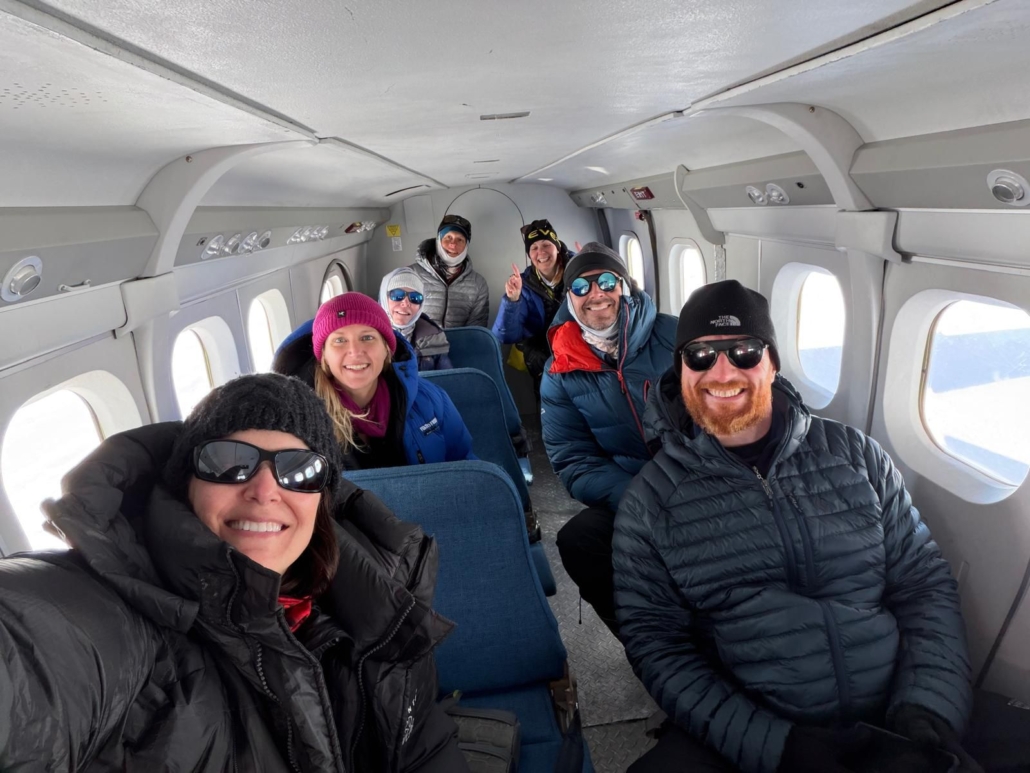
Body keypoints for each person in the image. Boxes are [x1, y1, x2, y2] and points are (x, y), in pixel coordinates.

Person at [0, 373, 470, 772]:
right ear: (186, 483)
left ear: (321, 498)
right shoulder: (108, 618)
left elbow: (422, 747)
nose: (265, 489)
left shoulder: (378, 600)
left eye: (299, 470)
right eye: (229, 462)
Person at [614, 280, 980, 773]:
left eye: (744, 351)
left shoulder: (858, 457)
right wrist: (778, 748)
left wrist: (928, 711)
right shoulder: (650, 504)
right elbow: (659, 646)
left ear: (773, 363)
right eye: (700, 355)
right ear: (680, 370)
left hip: (897, 706)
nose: (722, 372)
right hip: (765, 727)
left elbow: (924, 586)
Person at [540, 241, 677, 634]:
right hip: (633, 489)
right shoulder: (559, 371)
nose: (595, 294)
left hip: (700, 478)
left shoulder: (675, 335)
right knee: (579, 540)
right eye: (581, 287)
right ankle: (644, 635)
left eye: (605, 281)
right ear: (570, 299)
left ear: (624, 287)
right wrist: (639, 496)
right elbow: (573, 459)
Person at [278, 292, 474, 470]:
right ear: (324, 357)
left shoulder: (431, 400)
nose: (355, 351)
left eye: (367, 337)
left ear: (387, 350)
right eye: (339, 340)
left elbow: (465, 464)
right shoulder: (297, 421)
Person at [491, 218, 571, 394]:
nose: (541, 252)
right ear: (529, 255)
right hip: (543, 364)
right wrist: (513, 300)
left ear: (557, 246)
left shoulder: (579, 270)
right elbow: (505, 336)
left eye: (546, 245)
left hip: (578, 355)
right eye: (534, 248)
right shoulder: (524, 284)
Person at [411, 214, 490, 328]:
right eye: (448, 237)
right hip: (421, 345)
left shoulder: (478, 284)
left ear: (466, 245)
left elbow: (476, 328)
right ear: (438, 240)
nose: (453, 244)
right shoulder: (410, 274)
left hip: (459, 344)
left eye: (460, 240)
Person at [378, 266, 453, 370]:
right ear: (384, 298)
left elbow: (446, 381)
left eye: (415, 298)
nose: (405, 303)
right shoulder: (367, 336)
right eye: (397, 295)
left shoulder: (434, 339)